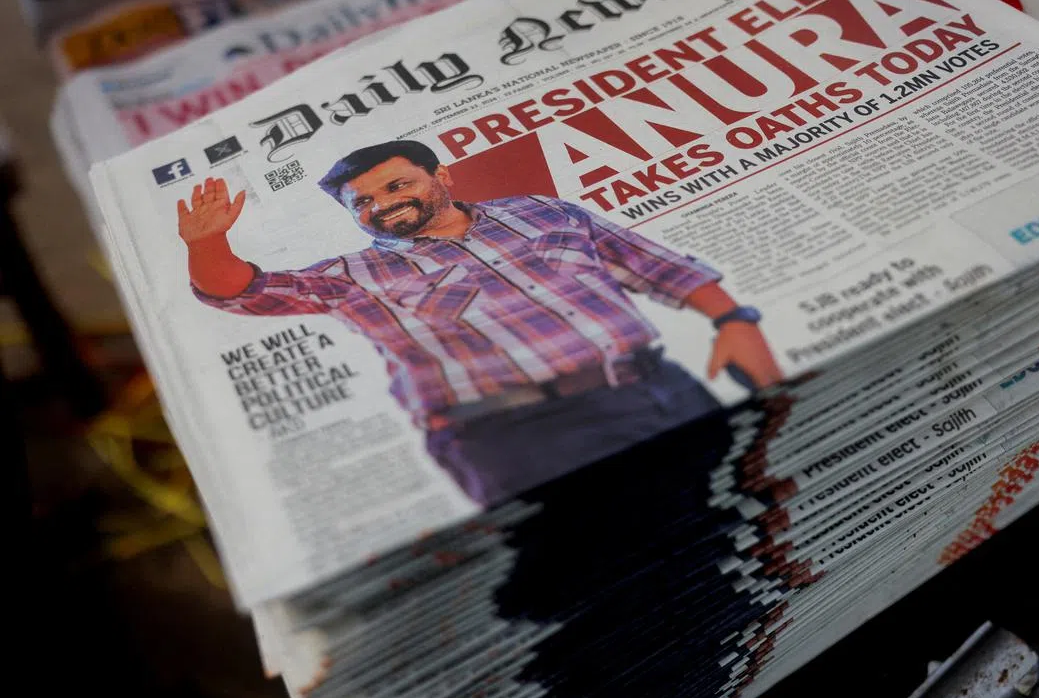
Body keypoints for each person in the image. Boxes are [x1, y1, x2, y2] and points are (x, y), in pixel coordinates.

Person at [178, 140, 780, 504]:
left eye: (396, 184)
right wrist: (207, 245)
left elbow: (653, 266)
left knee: (751, 521)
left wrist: (735, 322)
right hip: (523, 435)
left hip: (663, 390)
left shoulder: (542, 212)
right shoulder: (350, 273)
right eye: (361, 202)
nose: (382, 202)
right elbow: (245, 293)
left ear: (441, 177)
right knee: (632, 591)